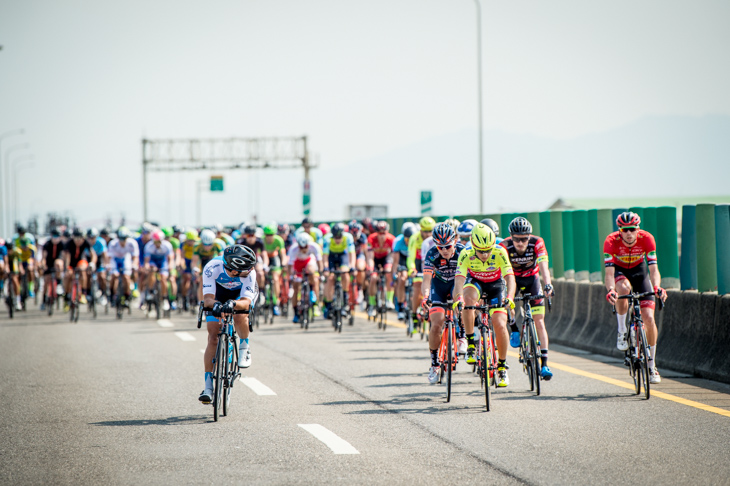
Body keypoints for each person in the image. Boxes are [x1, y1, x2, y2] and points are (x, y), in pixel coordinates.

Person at [604, 211, 667, 384]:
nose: (629, 233)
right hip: (620, 272)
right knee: (623, 289)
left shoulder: (647, 238)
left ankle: (652, 365)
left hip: (640, 273)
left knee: (648, 318)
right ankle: (622, 331)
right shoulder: (611, 241)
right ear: (619, 230)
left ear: (638, 229)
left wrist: (657, 287)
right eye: (625, 230)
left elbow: (654, 269)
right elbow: (609, 273)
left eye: (632, 229)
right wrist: (611, 290)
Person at [453, 223, 515, 387]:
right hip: (476, 283)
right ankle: (471, 343)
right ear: (473, 246)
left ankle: (502, 366)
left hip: (496, 285)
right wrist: (458, 298)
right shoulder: (466, 254)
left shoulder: (500, 251)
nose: (486, 254)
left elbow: (510, 277)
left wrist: (510, 297)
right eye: (481, 251)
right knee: (467, 300)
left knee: (500, 324)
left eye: (488, 250)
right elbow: (459, 279)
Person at [199, 245, 258, 404]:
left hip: (239, 295)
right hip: (219, 292)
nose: (249, 271)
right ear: (233, 269)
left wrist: (233, 304)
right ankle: (208, 386)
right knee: (213, 337)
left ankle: (244, 345)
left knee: (240, 317)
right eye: (245, 269)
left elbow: (246, 302)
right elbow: (209, 298)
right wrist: (216, 305)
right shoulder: (212, 268)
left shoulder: (250, 273)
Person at [500, 217, 555, 380]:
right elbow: (500, 270)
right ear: (511, 237)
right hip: (512, 279)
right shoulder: (504, 245)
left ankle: (544, 364)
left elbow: (544, 265)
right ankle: (514, 329)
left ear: (529, 236)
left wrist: (548, 285)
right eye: (516, 239)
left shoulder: (537, 242)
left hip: (532, 279)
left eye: (524, 239)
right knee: (506, 302)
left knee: (539, 321)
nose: (520, 243)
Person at [422, 224, 466, 384]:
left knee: (459, 296)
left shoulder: (463, 252)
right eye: (440, 247)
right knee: (436, 324)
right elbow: (426, 280)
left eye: (448, 246)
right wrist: (425, 296)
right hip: (438, 287)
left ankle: (462, 336)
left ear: (455, 240)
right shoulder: (432, 254)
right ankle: (434, 364)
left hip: (456, 284)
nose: (444, 250)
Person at [287, 232, 324, 323]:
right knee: (296, 287)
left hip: (308, 261)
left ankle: (311, 291)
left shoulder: (314, 246)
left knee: (311, 271)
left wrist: (321, 273)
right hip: (297, 263)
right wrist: (292, 276)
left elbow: (319, 262)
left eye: (305, 247)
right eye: (301, 247)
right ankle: (296, 313)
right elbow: (290, 266)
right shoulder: (293, 249)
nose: (303, 249)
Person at [407, 217, 436, 330]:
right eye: (426, 231)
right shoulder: (414, 239)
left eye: (430, 231)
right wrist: (412, 269)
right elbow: (411, 257)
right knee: (418, 286)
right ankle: (414, 314)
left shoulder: (436, 238)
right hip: (419, 263)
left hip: (431, 263)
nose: (428, 234)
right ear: (421, 231)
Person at [322, 223, 356, 319]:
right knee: (330, 278)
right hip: (331, 256)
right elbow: (325, 256)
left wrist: (352, 266)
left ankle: (345, 298)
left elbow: (351, 253)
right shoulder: (327, 239)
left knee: (345, 273)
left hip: (342, 256)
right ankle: (328, 305)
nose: (337, 239)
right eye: (335, 237)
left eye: (339, 236)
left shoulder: (348, 237)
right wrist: (325, 268)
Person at [366, 220, 395, 317]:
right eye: (379, 233)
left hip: (386, 258)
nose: (382, 235)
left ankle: (389, 300)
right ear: (376, 233)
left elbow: (394, 256)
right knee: (373, 278)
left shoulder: (391, 239)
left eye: (384, 233)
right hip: (375, 258)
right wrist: (370, 267)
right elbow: (370, 256)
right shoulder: (371, 238)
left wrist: (392, 268)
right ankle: (372, 304)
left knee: (388, 273)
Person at [143, 231, 175, 311]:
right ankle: (150, 291)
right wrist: (147, 267)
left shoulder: (167, 245)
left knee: (163, 278)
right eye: (155, 242)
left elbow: (170, 259)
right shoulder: (148, 246)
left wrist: (170, 267)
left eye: (159, 242)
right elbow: (147, 261)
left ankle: (164, 298)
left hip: (163, 261)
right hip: (153, 261)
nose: (157, 244)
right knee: (152, 272)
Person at [107, 227, 140, 306]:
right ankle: (111, 294)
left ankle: (126, 295)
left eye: (124, 239)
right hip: (115, 260)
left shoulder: (132, 243)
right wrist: (108, 265)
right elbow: (109, 258)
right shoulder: (113, 244)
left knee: (126, 277)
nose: (122, 241)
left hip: (125, 259)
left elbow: (135, 257)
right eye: (121, 239)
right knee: (114, 275)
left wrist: (134, 265)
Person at [392, 222, 416, 321]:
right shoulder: (399, 241)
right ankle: (401, 306)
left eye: (410, 239)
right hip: (403, 260)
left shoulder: (416, 241)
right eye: (406, 239)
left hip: (413, 261)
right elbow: (395, 261)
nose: (408, 241)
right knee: (402, 279)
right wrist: (394, 273)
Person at [263, 224, 287, 316]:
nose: (269, 237)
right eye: (267, 235)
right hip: (265, 258)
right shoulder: (262, 240)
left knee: (275, 278)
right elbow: (261, 254)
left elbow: (282, 254)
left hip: (274, 258)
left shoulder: (279, 240)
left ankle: (276, 301)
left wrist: (283, 263)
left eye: (271, 235)